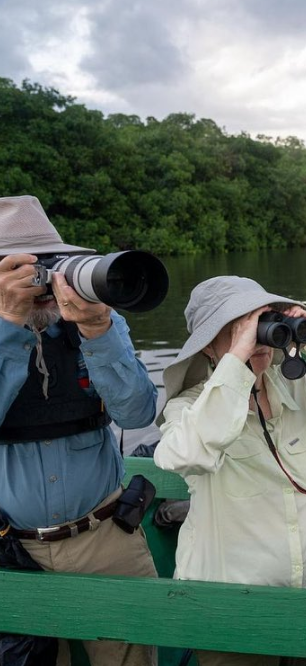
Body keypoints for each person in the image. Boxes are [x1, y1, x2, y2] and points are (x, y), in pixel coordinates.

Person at [153, 276, 306, 666]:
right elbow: (185, 454)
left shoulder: (304, 385)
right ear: (208, 346)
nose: (258, 339)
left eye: (262, 323)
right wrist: (237, 361)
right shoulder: (190, 408)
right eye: (235, 330)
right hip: (233, 609)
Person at [0, 195, 159, 666]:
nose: (41, 282)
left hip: (106, 536)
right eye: (25, 268)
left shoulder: (98, 323)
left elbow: (136, 413)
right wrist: (9, 322)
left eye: (50, 266)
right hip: (11, 546)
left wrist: (98, 328)